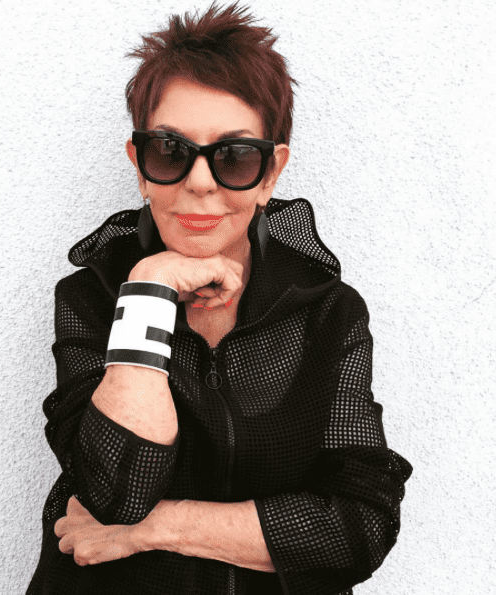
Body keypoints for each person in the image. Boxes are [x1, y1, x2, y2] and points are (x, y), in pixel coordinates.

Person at [25, 2, 413, 594]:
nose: (200, 182)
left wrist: (153, 529)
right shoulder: (92, 298)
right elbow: (115, 490)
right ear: (139, 165)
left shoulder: (329, 313)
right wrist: (148, 293)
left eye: (234, 156)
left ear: (271, 173)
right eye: (170, 152)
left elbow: (359, 527)